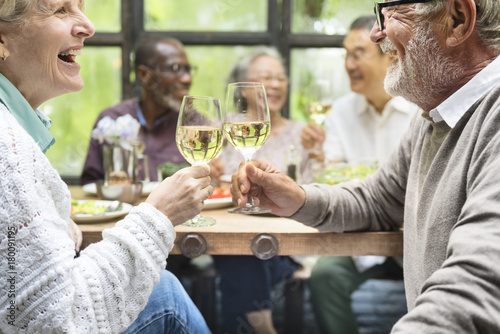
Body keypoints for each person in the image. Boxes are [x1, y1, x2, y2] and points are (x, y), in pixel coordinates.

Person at [230, 0, 500, 332]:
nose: (376, 33)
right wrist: (298, 198)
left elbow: (478, 285)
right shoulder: (434, 115)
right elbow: (378, 200)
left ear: (458, 19)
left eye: (391, 12)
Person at [0, 1, 211, 333]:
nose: (88, 26)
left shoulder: (15, 132)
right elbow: (52, 323)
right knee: (166, 292)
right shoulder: (8, 146)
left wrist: (52, 218)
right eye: (60, 10)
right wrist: (158, 214)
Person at [300, 15, 420, 334]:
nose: (348, 64)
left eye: (358, 53)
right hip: (362, 235)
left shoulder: (420, 109)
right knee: (325, 274)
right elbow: (332, 177)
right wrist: (317, 157)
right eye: (346, 55)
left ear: (389, 53)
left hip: (414, 236)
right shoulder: (340, 111)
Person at [211, 46, 309, 334]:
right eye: (266, 77)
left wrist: (318, 157)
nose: (277, 84)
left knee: (244, 251)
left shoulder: (303, 133)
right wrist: (209, 172)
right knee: (242, 247)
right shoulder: (221, 129)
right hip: (228, 234)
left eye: (281, 77)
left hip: (285, 242)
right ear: (244, 87)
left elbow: (314, 191)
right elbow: (207, 186)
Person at [81, 37, 193, 185]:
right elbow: (91, 184)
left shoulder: (196, 125)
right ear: (144, 75)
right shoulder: (111, 120)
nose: (187, 79)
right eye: (175, 68)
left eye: (188, 70)